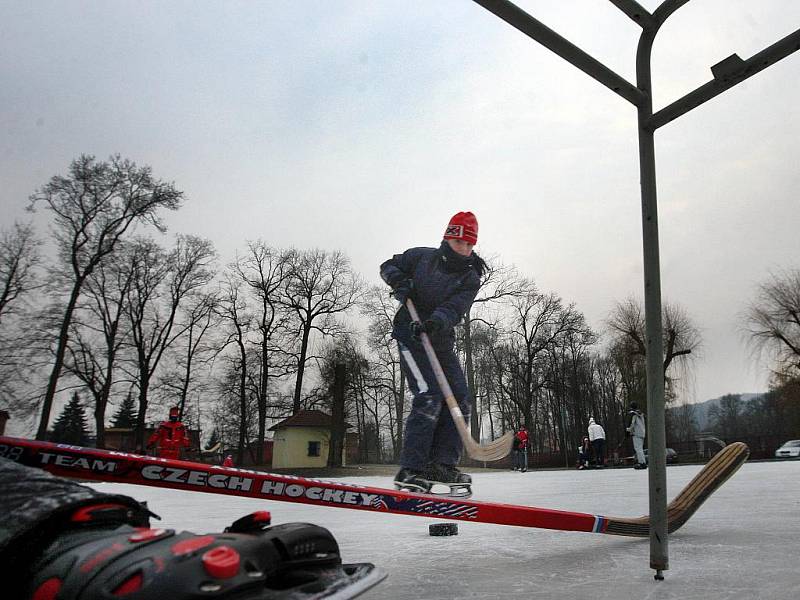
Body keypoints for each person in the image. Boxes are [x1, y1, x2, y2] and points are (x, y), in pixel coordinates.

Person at [380, 211, 485, 495]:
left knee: (460, 397)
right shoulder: (421, 257)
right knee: (429, 396)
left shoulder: (470, 276)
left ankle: (441, 463)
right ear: (448, 237)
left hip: (439, 338)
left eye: (469, 245)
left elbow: (454, 308)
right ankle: (411, 469)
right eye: (459, 242)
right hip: (409, 335)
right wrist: (399, 281)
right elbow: (388, 265)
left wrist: (435, 322)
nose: (464, 249)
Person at [626, 401, 647, 469]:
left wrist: (628, 431)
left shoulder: (633, 414)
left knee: (638, 449)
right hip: (642, 433)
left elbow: (632, 424)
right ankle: (642, 461)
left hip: (636, 433)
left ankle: (642, 463)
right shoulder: (641, 414)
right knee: (640, 448)